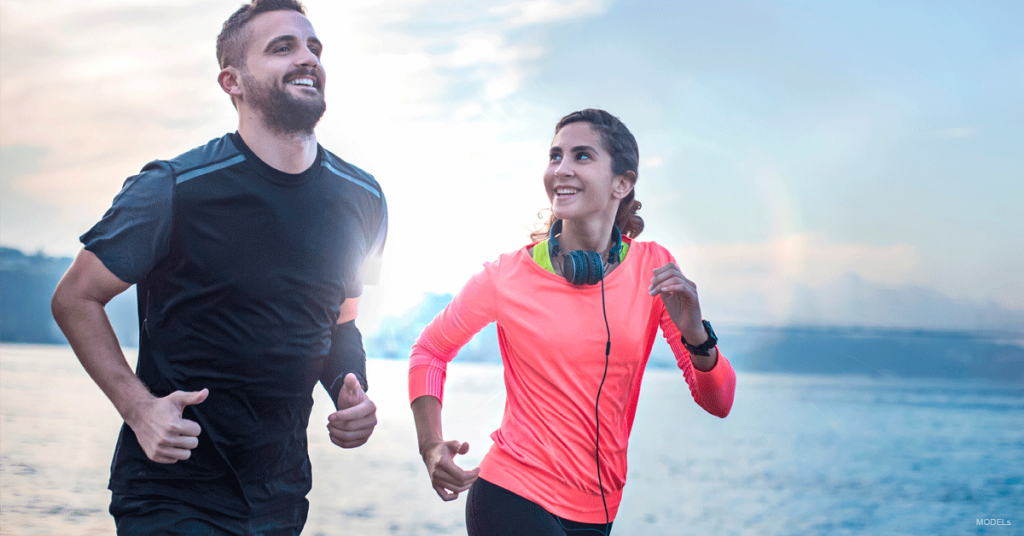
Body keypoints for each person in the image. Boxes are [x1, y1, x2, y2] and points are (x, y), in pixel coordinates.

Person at [50, 1, 387, 534]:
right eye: (282, 47)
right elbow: (74, 298)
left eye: (313, 47)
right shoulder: (174, 188)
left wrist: (352, 388)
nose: (307, 58)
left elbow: (340, 320)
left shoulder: (363, 197)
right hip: (171, 491)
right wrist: (139, 410)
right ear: (232, 81)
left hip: (281, 495)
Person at [408, 109, 736, 535]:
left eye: (582, 156)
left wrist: (696, 336)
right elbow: (430, 350)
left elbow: (719, 402)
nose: (561, 169)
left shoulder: (655, 269)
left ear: (623, 183)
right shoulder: (505, 276)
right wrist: (430, 445)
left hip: (599, 512)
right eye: (555, 156)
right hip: (511, 493)